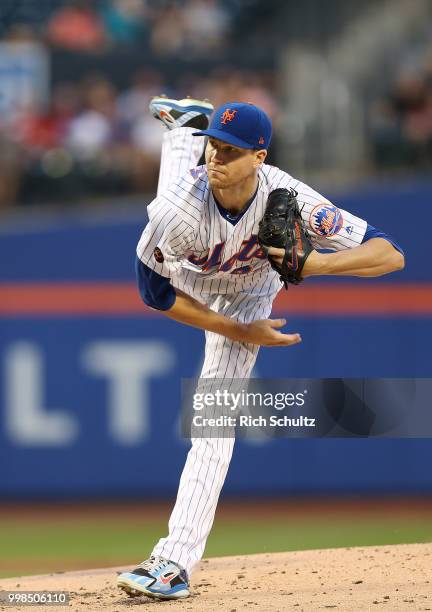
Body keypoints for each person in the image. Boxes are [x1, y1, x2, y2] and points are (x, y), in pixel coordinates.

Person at [117, 96, 404, 600]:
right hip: (191, 281)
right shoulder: (177, 212)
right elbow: (154, 294)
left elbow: (390, 255)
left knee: (214, 421)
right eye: (212, 147)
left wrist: (317, 265)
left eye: (230, 151)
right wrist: (234, 330)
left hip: (250, 292)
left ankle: (172, 563)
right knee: (177, 206)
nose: (217, 159)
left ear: (260, 157)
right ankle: (186, 129)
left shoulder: (287, 198)